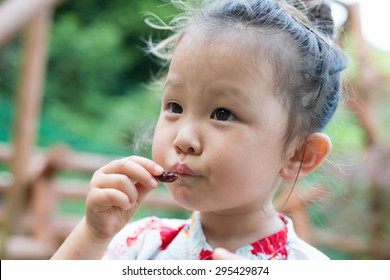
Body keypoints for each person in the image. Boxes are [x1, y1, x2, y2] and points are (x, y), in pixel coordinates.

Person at [51, 0, 346, 260]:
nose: (183, 139)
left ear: (298, 155)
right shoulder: (139, 245)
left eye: (222, 114)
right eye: (175, 107)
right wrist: (92, 236)